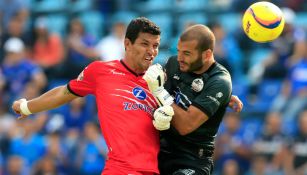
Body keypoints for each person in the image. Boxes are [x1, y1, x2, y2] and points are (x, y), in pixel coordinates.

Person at [12, 18, 242, 175]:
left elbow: (197, 81)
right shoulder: (101, 71)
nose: (151, 51)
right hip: (120, 168)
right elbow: (65, 92)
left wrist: (226, 96)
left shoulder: (160, 77)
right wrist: (27, 107)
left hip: (156, 169)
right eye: (144, 44)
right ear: (127, 44)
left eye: (156, 45)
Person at [143, 24, 243, 175]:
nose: (180, 58)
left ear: (207, 54)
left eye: (187, 53)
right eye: (179, 51)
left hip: (192, 160)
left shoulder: (219, 81)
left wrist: (159, 91)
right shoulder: (174, 63)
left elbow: (185, 125)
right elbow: (154, 98)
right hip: (159, 151)